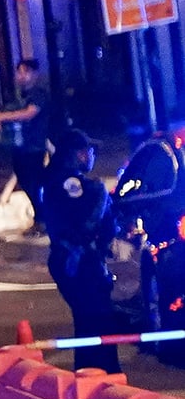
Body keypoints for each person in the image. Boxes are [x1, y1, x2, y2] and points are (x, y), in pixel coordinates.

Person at [37, 130, 121, 373]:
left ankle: (90, 374)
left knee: (89, 324)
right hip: (78, 262)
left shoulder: (56, 180)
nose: (92, 156)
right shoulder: (69, 184)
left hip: (74, 261)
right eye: (89, 151)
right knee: (98, 323)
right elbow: (83, 225)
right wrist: (101, 195)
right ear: (78, 154)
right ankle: (102, 375)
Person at [116, 116, 185, 360]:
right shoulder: (165, 153)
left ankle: (168, 342)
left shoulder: (162, 153)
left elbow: (126, 195)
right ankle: (170, 344)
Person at [0, 60, 54, 192]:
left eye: (26, 72)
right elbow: (13, 112)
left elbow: (29, 113)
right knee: (25, 181)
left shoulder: (38, 94)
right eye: (19, 72)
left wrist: (2, 117)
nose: (22, 75)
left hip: (34, 147)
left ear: (35, 74)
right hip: (20, 146)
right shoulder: (20, 96)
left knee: (34, 184)